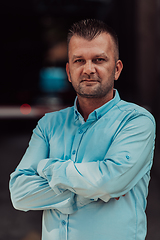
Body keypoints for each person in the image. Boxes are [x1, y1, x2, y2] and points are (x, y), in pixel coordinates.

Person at [9, 19, 156, 240]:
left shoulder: (136, 121)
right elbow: (20, 194)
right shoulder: (49, 125)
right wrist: (91, 194)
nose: (88, 69)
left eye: (98, 59)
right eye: (79, 60)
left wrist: (49, 168)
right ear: (69, 71)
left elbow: (110, 182)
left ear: (116, 69)